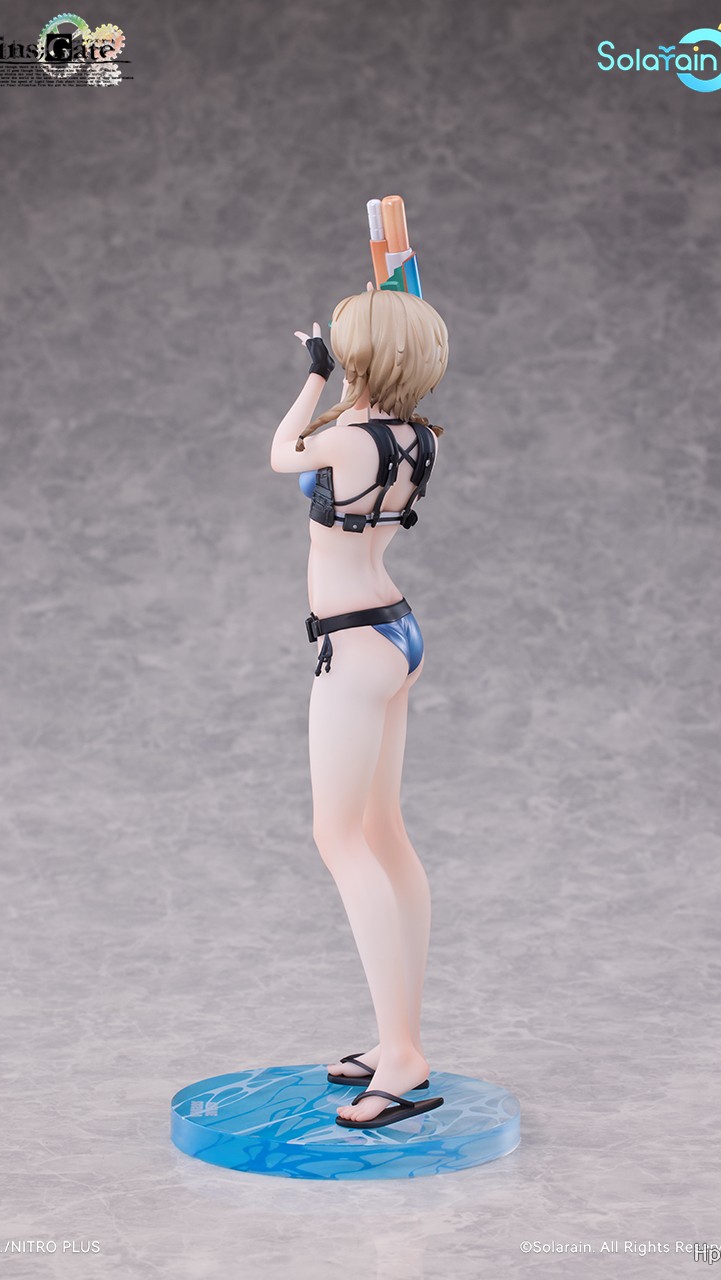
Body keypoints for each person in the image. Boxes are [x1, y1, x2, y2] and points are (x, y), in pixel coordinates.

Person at [270, 284, 449, 1128]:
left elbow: (282, 452)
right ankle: (397, 1037)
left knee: (339, 838)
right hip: (398, 632)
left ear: (363, 357)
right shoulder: (418, 438)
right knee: (383, 832)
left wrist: (313, 376)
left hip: (353, 650)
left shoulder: (341, 437)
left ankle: (402, 1053)